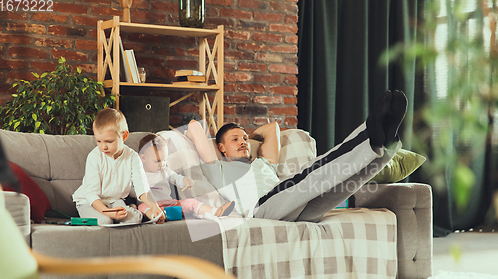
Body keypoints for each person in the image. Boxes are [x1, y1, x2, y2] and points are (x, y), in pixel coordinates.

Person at [186, 90, 407, 222]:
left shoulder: (262, 163)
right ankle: (369, 133)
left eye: (244, 138)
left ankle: (385, 148)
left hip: (291, 206)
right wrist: (221, 140)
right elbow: (195, 128)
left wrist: (251, 140)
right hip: (262, 208)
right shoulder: (219, 169)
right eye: (235, 139)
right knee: (314, 171)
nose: (243, 141)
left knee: (342, 184)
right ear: (221, 148)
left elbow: (272, 128)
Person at [73, 108, 165, 225]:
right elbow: (91, 194)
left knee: (135, 219)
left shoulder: (133, 157)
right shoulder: (94, 157)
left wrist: (155, 207)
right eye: (99, 141)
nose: (103, 147)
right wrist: (107, 212)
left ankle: (130, 209)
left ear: (124, 136)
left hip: (115, 201)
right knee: (105, 221)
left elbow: (142, 189)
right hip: (89, 202)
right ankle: (120, 212)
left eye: (109, 141)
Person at [137, 133, 235, 219]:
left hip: (169, 203)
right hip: (150, 205)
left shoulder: (165, 170)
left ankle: (216, 211)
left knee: (190, 202)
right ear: (143, 159)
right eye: (157, 161)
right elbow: (131, 191)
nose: (162, 164)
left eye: (164, 160)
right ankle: (158, 216)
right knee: (141, 207)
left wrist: (185, 181)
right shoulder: (138, 174)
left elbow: (176, 178)